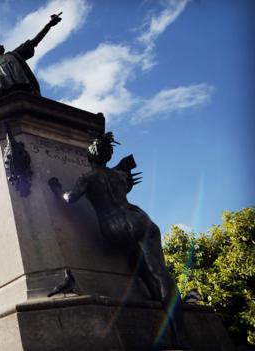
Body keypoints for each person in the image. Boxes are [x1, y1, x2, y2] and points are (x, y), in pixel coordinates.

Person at [48, 132, 189, 348]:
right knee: (161, 273)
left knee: (142, 265)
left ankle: (154, 297)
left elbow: (70, 199)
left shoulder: (87, 178)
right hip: (139, 218)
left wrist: (57, 189)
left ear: (89, 158)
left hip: (114, 229)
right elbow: (125, 187)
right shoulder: (120, 176)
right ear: (107, 156)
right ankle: (180, 337)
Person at [0, 12, 63, 110]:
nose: (2, 45)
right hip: (2, 93)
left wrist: (49, 25)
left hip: (23, 88)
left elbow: (34, 41)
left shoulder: (14, 54)